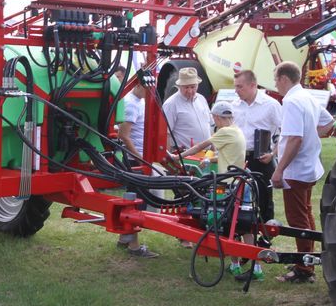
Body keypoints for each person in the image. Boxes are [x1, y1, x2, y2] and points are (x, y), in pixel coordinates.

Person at [169, 102, 262, 280]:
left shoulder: (224, 132)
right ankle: (245, 266)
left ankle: (250, 266)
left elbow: (201, 147)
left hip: (228, 185)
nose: (214, 121)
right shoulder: (236, 131)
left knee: (229, 224)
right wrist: (210, 161)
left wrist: (177, 157)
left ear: (218, 117)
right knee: (244, 225)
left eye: (214, 118)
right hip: (241, 181)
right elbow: (229, 155)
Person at [271, 61, 334, 283]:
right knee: (306, 215)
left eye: (276, 79)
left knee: (298, 220)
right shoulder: (307, 97)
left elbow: (295, 138)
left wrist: (279, 170)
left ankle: (304, 269)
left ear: (284, 79)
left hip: (296, 171)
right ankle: (306, 260)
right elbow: (328, 123)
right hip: (308, 167)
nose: (275, 84)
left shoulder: (291, 101)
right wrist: (311, 137)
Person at [116, 82, 159, 258]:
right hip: (135, 160)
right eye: (149, 87)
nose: (151, 91)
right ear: (140, 85)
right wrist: (141, 159)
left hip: (140, 158)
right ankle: (133, 246)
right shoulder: (132, 104)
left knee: (134, 198)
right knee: (137, 202)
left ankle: (124, 238)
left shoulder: (140, 101)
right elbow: (123, 135)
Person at [232, 69, 282, 222]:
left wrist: (273, 154)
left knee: (264, 198)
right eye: (235, 86)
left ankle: (265, 234)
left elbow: (285, 133)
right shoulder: (234, 105)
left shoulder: (271, 105)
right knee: (236, 196)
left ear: (253, 85)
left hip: (261, 158)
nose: (236, 91)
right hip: (238, 158)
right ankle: (240, 230)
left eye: (240, 87)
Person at [163, 67, 211, 153]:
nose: (189, 91)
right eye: (186, 87)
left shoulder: (201, 99)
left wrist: (214, 151)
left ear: (197, 85)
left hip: (206, 154)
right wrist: (169, 158)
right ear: (179, 86)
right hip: (184, 155)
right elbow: (165, 134)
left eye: (193, 87)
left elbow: (209, 125)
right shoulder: (171, 104)